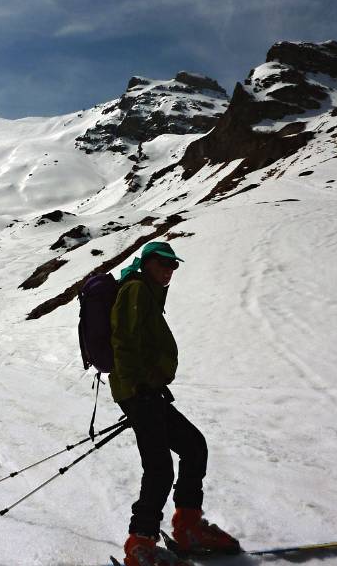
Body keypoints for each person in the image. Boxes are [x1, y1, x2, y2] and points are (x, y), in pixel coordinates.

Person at [111, 241, 239, 566]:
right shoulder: (137, 290)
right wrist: (138, 386)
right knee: (159, 468)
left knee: (194, 446)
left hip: (148, 391)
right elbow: (123, 341)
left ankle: (187, 527)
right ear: (147, 263)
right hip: (140, 392)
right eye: (163, 263)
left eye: (174, 266)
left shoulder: (149, 293)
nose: (169, 270)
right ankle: (140, 543)